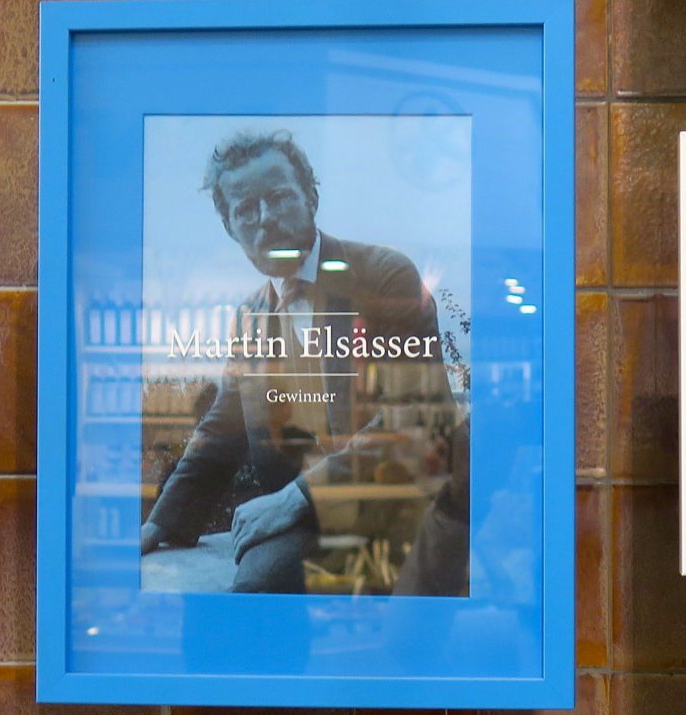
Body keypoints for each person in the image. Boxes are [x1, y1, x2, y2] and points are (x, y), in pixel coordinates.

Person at [141, 128, 468, 595]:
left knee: (259, 590)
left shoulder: (385, 275)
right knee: (247, 590)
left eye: (279, 198)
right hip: (315, 517)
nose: (265, 218)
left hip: (404, 502)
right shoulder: (250, 318)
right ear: (230, 228)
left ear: (311, 198)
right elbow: (221, 431)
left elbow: (416, 416)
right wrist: (159, 524)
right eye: (245, 209)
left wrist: (294, 498)